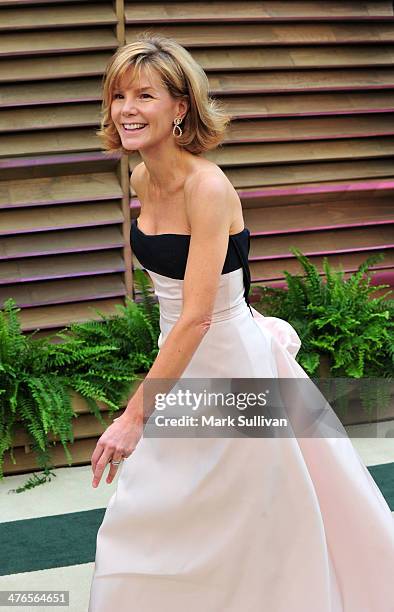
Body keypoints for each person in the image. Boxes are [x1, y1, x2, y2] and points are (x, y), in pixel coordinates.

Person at [88, 33, 394, 612]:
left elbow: (200, 316)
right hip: (179, 362)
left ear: (180, 108)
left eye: (144, 95)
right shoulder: (140, 180)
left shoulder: (208, 187)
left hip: (231, 367)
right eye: (118, 96)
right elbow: (175, 303)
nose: (127, 110)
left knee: (249, 516)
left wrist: (133, 416)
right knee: (152, 508)